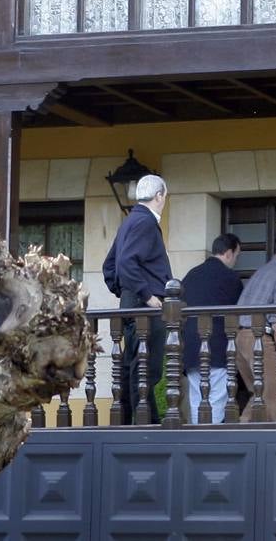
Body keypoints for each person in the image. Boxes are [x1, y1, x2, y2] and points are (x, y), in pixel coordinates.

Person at [102, 174, 172, 425]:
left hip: (133, 302)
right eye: (165, 196)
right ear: (159, 196)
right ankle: (145, 422)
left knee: (135, 363)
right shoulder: (144, 222)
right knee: (145, 367)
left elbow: (110, 267)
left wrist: (125, 292)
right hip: (145, 305)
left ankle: (135, 420)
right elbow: (124, 263)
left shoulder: (130, 221)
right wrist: (146, 295)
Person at [235, 231, 276, 422]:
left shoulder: (262, 270)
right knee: (273, 394)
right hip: (258, 339)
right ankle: (238, 439)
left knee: (259, 395)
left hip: (238, 339)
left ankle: (246, 442)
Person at [180, 233, 243, 423]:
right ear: (230, 252)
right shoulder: (231, 278)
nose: (235, 260)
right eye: (237, 255)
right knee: (216, 401)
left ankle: (197, 445)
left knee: (196, 400)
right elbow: (241, 313)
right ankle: (208, 447)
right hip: (218, 348)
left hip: (191, 348)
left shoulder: (190, 275)